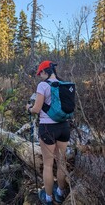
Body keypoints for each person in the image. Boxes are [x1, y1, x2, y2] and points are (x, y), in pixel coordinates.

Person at [26, 60, 70, 205]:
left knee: (48, 165)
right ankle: (60, 192)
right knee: (62, 162)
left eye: (41, 73)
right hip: (64, 127)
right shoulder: (63, 83)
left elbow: (36, 109)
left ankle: (49, 197)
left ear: (46, 72)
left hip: (48, 129)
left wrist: (28, 108)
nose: (40, 76)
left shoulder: (43, 85)